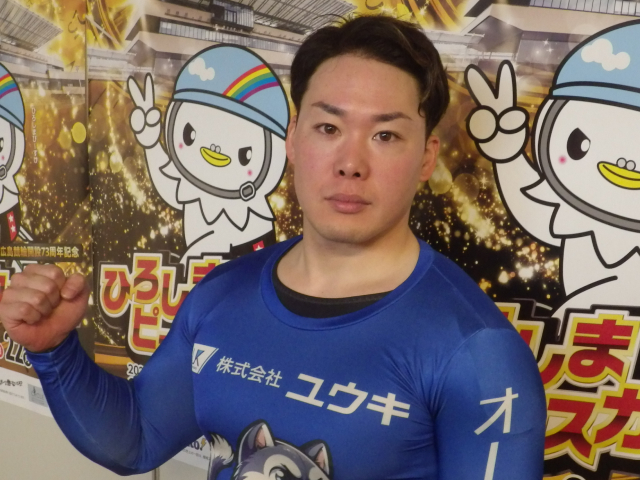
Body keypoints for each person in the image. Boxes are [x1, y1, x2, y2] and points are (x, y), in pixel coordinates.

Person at [0, 15, 546, 480]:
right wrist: (55, 350)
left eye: (385, 135)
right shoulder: (224, 293)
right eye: (328, 128)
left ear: (426, 157)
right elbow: (137, 438)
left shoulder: (478, 356)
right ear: (292, 139)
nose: (351, 163)